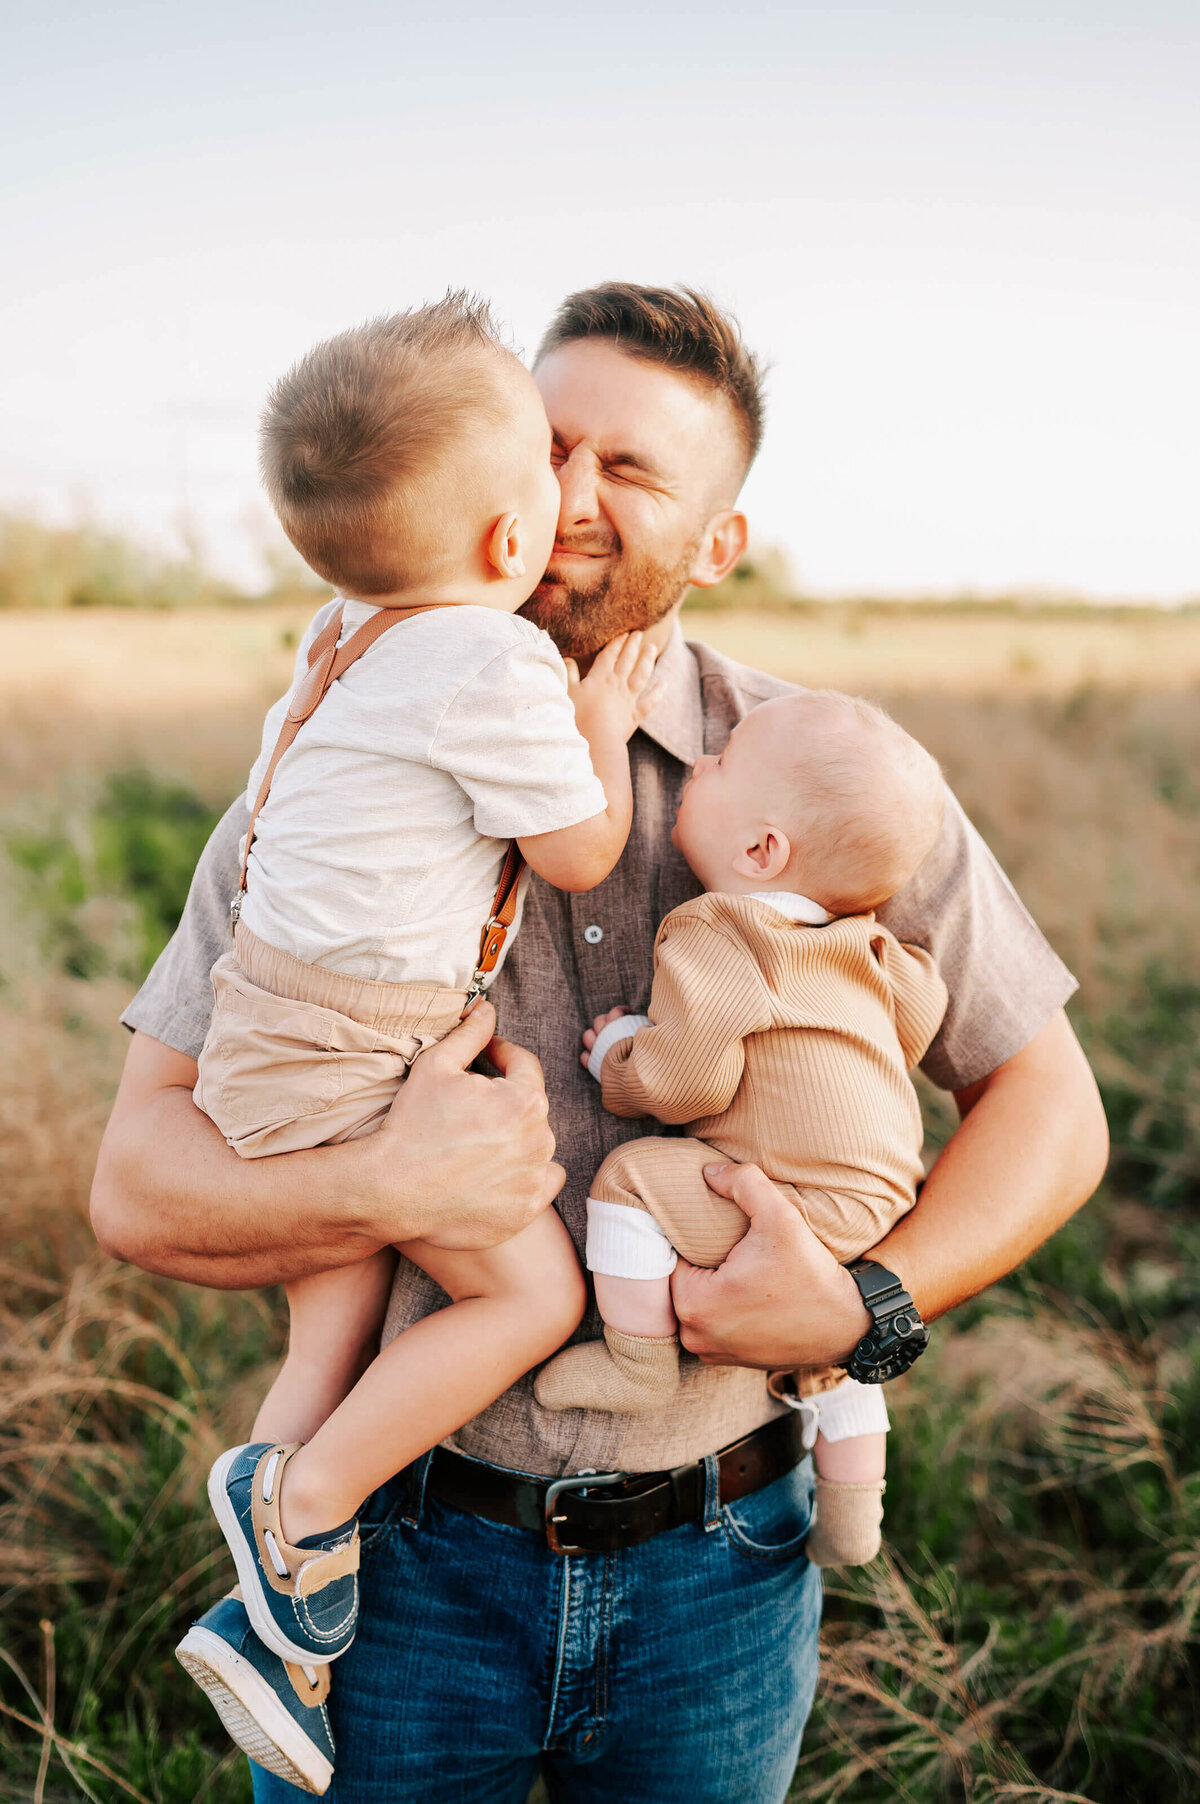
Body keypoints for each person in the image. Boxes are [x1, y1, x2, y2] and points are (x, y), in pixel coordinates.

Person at [91, 284, 1109, 1804]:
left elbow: (1051, 1106)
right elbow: (137, 1187)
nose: (567, 497)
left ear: (719, 543)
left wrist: (860, 1302)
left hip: (726, 1567)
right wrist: (383, 1182)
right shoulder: (328, 769)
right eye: (549, 445)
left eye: (628, 471)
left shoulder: (830, 773)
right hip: (398, 1574)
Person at [172, 299, 660, 1793]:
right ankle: (305, 1504)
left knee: (335, 1325)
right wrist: (594, 725)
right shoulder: (493, 668)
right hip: (360, 1045)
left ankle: (281, 1637)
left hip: (270, 1026)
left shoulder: (342, 636)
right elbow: (578, 853)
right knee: (528, 1295)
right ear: (511, 547)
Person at [534, 689, 951, 1571]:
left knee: (636, 1176)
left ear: (761, 850)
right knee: (835, 1347)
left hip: (792, 1198)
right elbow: (915, 1022)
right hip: (883, 1206)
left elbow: (688, 1082)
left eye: (720, 763)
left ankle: (637, 1358)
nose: (699, 766)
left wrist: (616, 1052)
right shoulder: (872, 949)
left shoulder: (720, 930)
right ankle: (852, 1518)